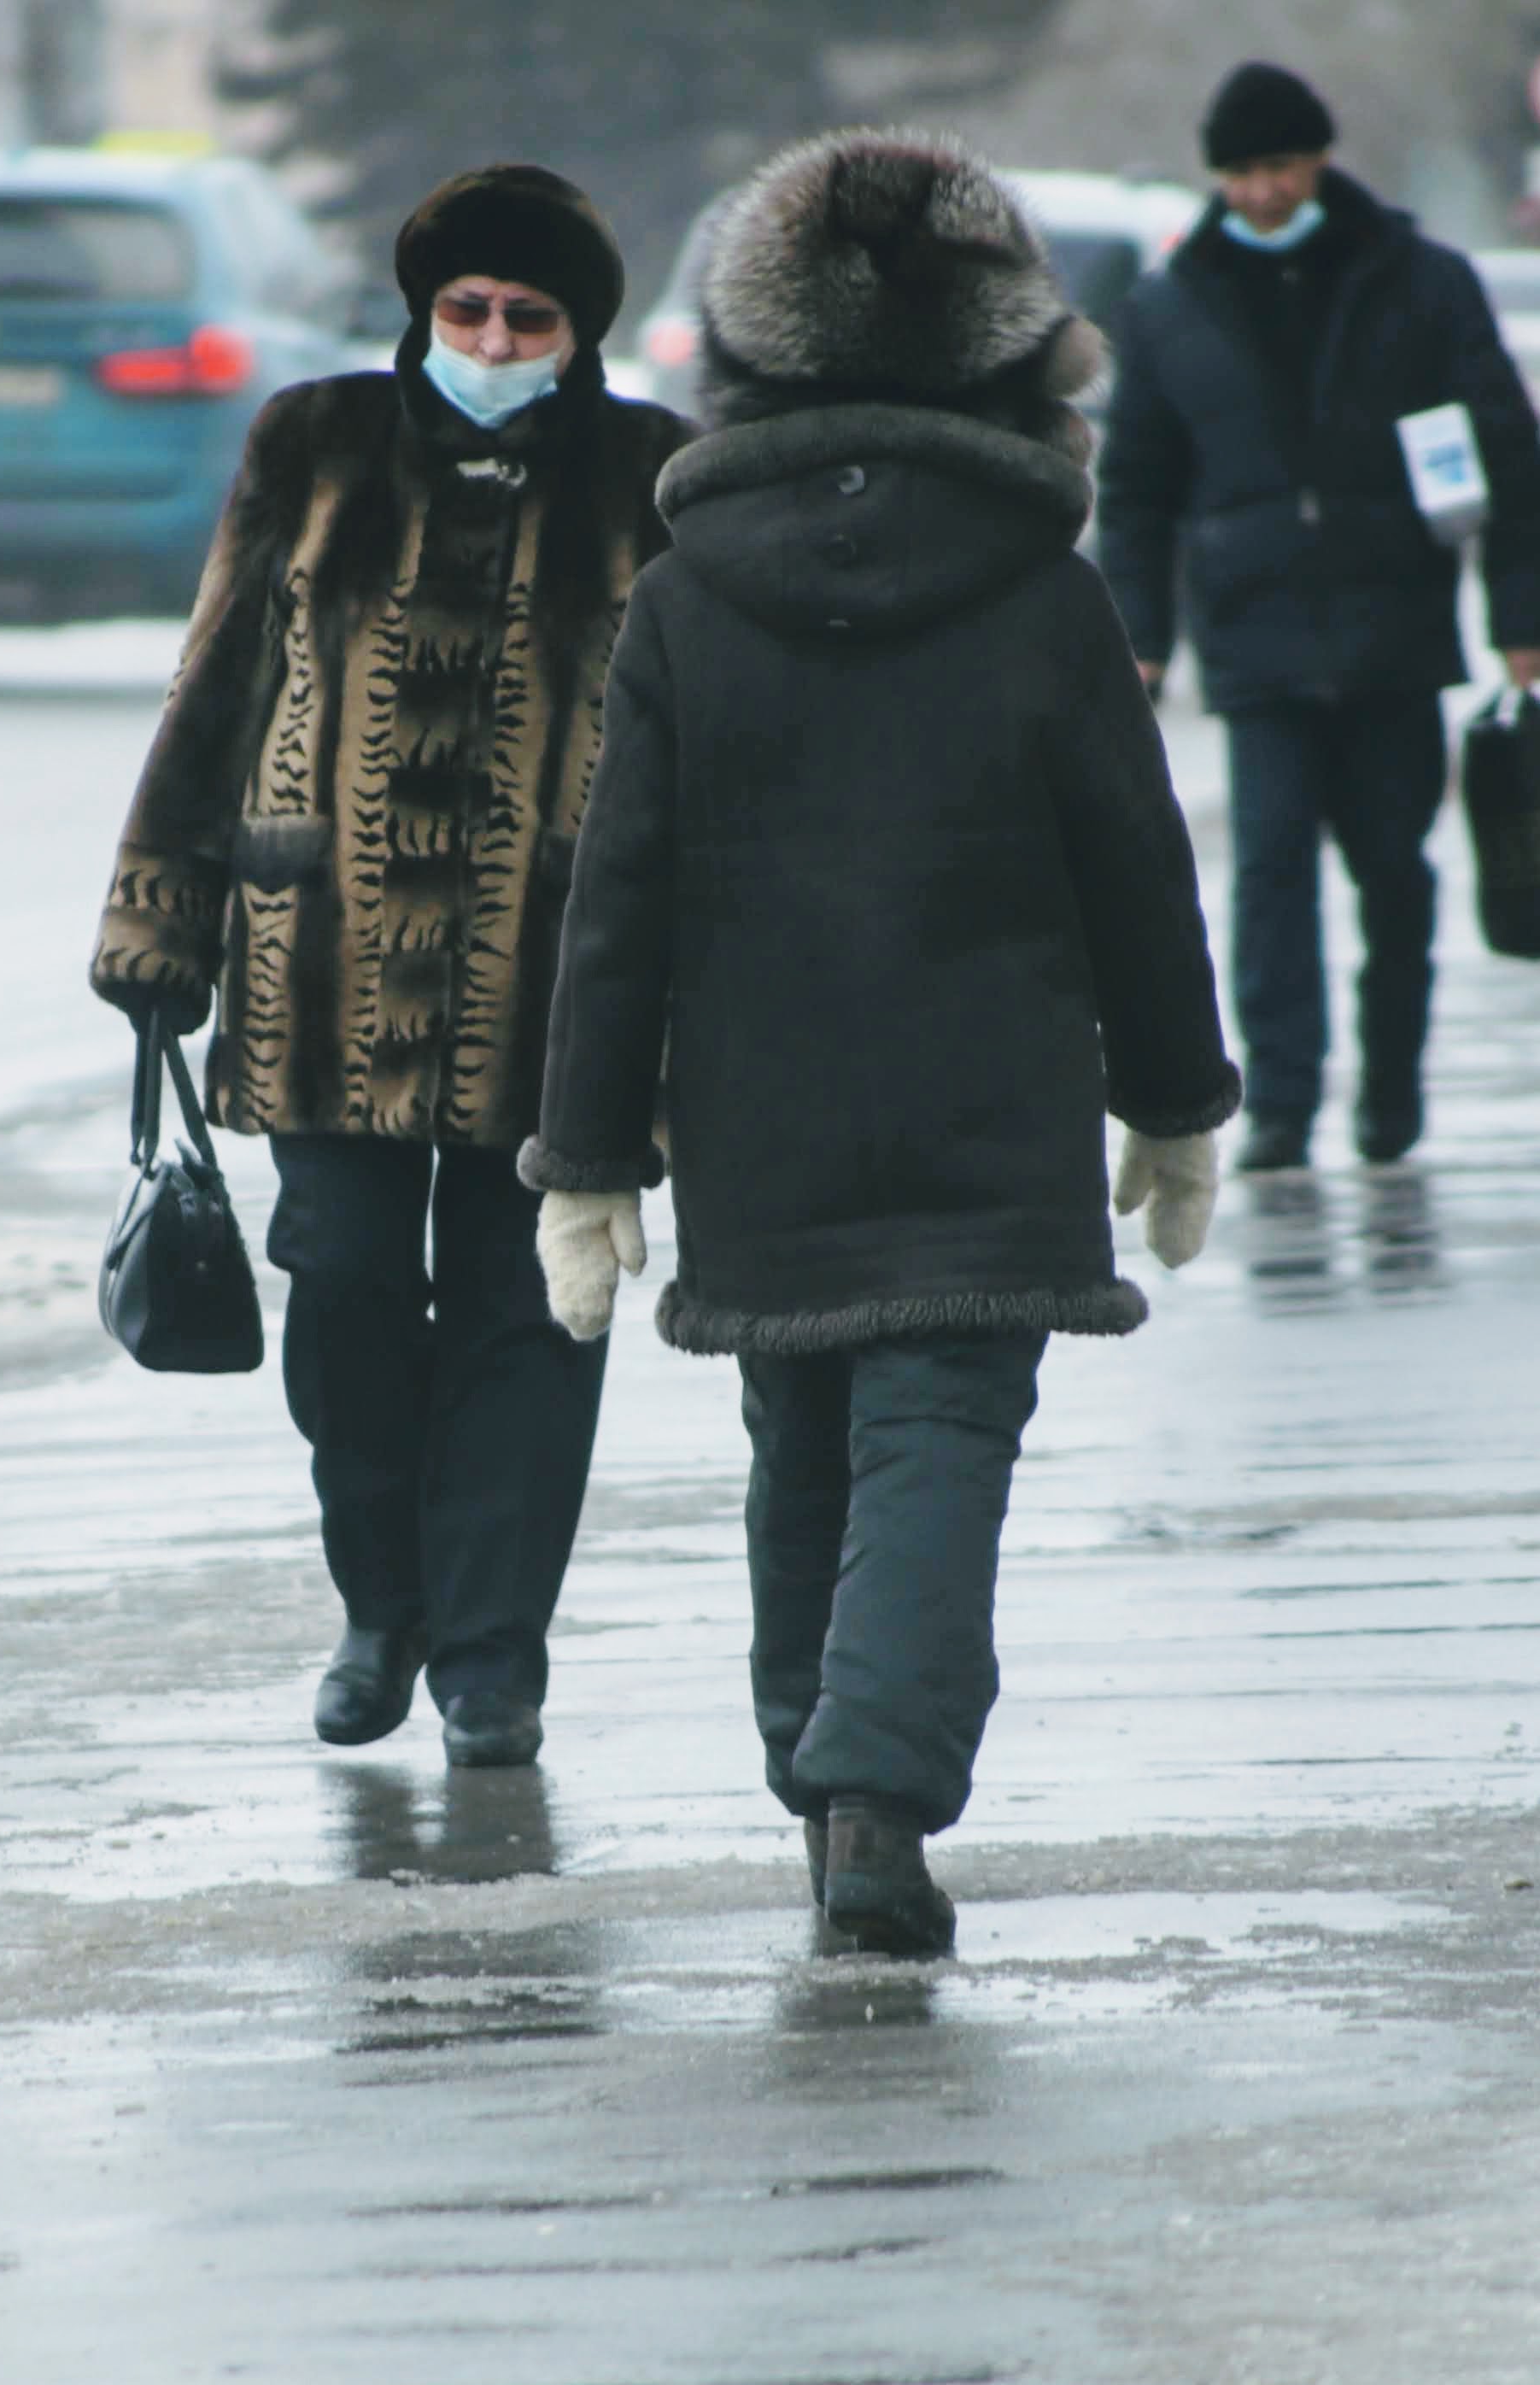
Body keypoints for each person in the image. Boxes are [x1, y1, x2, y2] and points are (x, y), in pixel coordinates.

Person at [525, 132, 1239, 1957]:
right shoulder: (1043, 589)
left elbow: (618, 896)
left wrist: (587, 1152)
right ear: (1006, 362)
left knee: (805, 1439)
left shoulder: (687, 597)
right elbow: (1135, 865)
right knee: (939, 1439)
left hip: (759, 1116)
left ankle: (824, 1775)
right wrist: (1174, 1101)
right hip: (989, 1105)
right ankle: (871, 1795)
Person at [91, 164, 696, 1770]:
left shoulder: (650, 474)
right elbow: (217, 681)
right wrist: (157, 918)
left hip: (555, 979)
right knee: (345, 1286)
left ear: (577, 333)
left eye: (527, 317)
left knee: (529, 1314)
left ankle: (491, 1658)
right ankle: (381, 1604)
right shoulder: (316, 441)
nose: (492, 340)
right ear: (422, 311)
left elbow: (697, 743)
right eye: (466, 310)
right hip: (322, 969)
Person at [1095, 61, 1540, 1172]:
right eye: (1242, 172)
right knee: (1267, 883)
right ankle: (1282, 1104)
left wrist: (1522, 617)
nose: (1263, 190)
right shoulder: (1169, 305)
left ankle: (1390, 1092)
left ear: (1318, 160)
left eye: (1282, 166)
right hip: (1253, 639)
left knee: (1394, 875)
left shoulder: (1420, 280)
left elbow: (1508, 454)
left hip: (1394, 629)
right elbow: (1137, 492)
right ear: (1217, 176)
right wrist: (1138, 640)